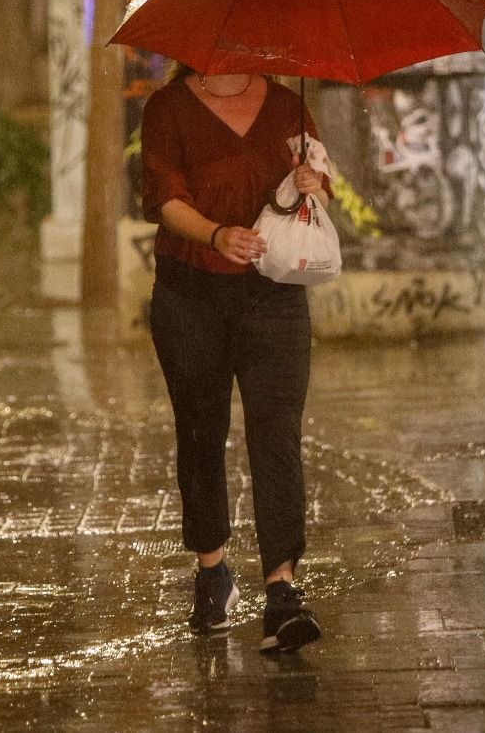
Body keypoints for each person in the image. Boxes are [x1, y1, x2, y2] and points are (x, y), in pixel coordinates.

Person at [139, 65, 330, 654]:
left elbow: (321, 186)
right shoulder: (167, 108)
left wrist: (311, 182)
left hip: (274, 292)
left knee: (276, 437)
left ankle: (282, 590)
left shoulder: (285, 105)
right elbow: (164, 199)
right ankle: (213, 570)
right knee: (201, 431)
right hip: (190, 292)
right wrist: (217, 233)